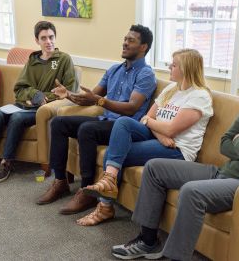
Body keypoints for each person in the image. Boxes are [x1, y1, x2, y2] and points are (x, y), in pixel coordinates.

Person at [111, 53, 239, 260]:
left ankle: (175, 256)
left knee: (191, 192)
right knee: (154, 168)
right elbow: (225, 142)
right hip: (223, 172)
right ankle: (148, 241)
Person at [77, 49, 213, 226]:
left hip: (178, 150)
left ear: (187, 68)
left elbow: (171, 129)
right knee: (124, 122)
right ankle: (109, 181)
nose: (169, 67)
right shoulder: (172, 89)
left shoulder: (200, 96)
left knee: (112, 152)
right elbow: (146, 118)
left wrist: (162, 131)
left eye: (174, 65)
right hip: (161, 139)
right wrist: (161, 134)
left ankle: (105, 207)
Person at [36, 24, 157, 216]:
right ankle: (60, 182)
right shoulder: (114, 70)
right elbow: (89, 97)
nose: (125, 43)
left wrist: (100, 100)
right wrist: (68, 94)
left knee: (87, 129)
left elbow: (132, 107)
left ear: (143, 47)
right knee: (58, 123)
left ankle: (87, 191)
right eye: (125, 39)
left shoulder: (146, 74)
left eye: (131, 40)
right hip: (105, 121)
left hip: (124, 128)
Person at [0, 21, 76, 183]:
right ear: (37, 41)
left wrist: (42, 98)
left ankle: (6, 162)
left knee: (16, 118)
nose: (48, 42)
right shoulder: (33, 60)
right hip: (23, 104)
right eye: (43, 38)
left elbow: (68, 91)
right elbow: (20, 88)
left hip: (40, 109)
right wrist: (34, 94)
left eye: (51, 37)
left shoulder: (63, 60)